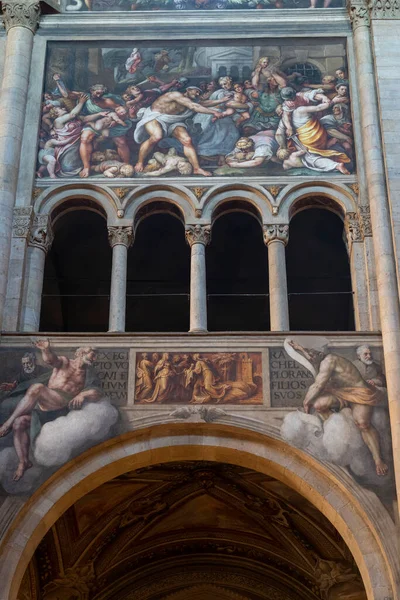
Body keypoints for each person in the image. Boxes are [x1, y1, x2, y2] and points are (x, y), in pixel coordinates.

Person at [0, 339, 103, 481]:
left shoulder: (88, 374)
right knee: (19, 423)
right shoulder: (66, 362)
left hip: (61, 407)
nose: (95, 358)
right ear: (82, 353)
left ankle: (6, 424)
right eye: (93, 354)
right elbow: (51, 360)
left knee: (38, 388)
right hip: (44, 408)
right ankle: (24, 461)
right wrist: (46, 350)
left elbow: (97, 392)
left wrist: (82, 394)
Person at [287, 339, 388, 476]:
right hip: (341, 392)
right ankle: (336, 433)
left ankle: (377, 460)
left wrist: (306, 401)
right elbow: (311, 357)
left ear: (320, 353)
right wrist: (299, 347)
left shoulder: (330, 361)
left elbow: (318, 385)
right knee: (319, 405)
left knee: (363, 423)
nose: (311, 356)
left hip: (359, 392)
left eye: (313, 353)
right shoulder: (322, 358)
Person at [134, 86, 223, 176]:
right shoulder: (176, 95)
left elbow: (203, 104)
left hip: (172, 121)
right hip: (156, 117)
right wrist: (214, 112)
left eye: (199, 93)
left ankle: (197, 168)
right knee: (157, 136)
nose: (197, 94)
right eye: (196, 91)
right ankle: (140, 162)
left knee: (187, 140)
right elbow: (194, 106)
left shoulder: (189, 101)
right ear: (188, 89)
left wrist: (221, 100)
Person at [281, 100, 351, 174]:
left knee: (310, 158)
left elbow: (318, 108)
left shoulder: (296, 112)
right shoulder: (292, 113)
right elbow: (318, 108)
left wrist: (333, 101)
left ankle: (336, 165)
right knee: (310, 155)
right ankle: (334, 160)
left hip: (312, 140)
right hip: (317, 138)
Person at [80, 84, 133, 178]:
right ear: (91, 91)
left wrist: (115, 122)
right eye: (97, 93)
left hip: (110, 123)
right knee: (85, 138)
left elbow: (123, 112)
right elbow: (83, 118)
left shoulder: (108, 101)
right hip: (94, 123)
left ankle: (126, 165)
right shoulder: (85, 101)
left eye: (102, 93)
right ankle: (86, 167)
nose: (99, 95)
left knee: (121, 142)